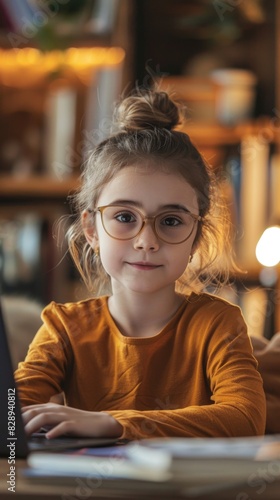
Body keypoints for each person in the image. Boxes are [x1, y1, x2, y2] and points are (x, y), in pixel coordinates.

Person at [15, 89, 266, 441]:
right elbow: (12, 416)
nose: (146, 240)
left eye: (171, 221)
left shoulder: (218, 324)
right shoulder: (64, 328)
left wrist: (114, 423)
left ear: (196, 236)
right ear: (91, 229)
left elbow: (244, 418)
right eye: (123, 216)